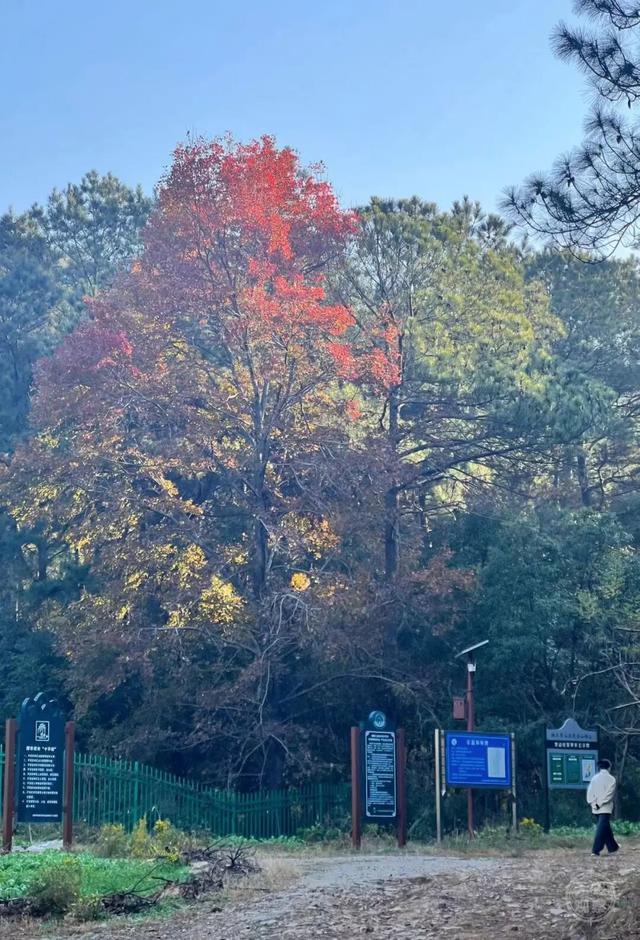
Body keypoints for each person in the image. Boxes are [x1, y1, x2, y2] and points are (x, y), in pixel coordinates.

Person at [586, 758, 619, 857]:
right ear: (609, 767)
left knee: (604, 827)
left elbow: (590, 793)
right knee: (602, 828)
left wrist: (593, 803)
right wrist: (600, 804)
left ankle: (612, 847)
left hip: (595, 807)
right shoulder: (612, 779)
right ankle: (595, 850)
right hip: (605, 808)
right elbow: (609, 795)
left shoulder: (594, 778)